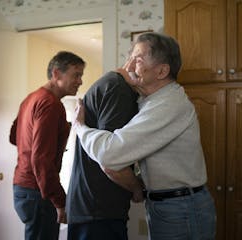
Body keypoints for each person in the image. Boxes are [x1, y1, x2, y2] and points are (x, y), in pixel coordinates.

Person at [72, 32, 216, 240]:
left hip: (181, 208)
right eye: (129, 58)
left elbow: (110, 154)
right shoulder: (152, 100)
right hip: (171, 205)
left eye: (138, 60)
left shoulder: (168, 105)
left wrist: (80, 126)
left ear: (161, 71)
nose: (129, 66)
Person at [9, 51, 85, 240]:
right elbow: (41, 159)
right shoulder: (51, 104)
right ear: (57, 74)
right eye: (76, 74)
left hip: (22, 189)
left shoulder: (32, 98)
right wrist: (60, 201)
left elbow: (13, 137)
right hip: (37, 192)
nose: (80, 81)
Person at [66, 69, 144, 240]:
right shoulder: (118, 90)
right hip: (98, 213)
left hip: (92, 210)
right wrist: (137, 188)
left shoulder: (111, 84)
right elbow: (110, 163)